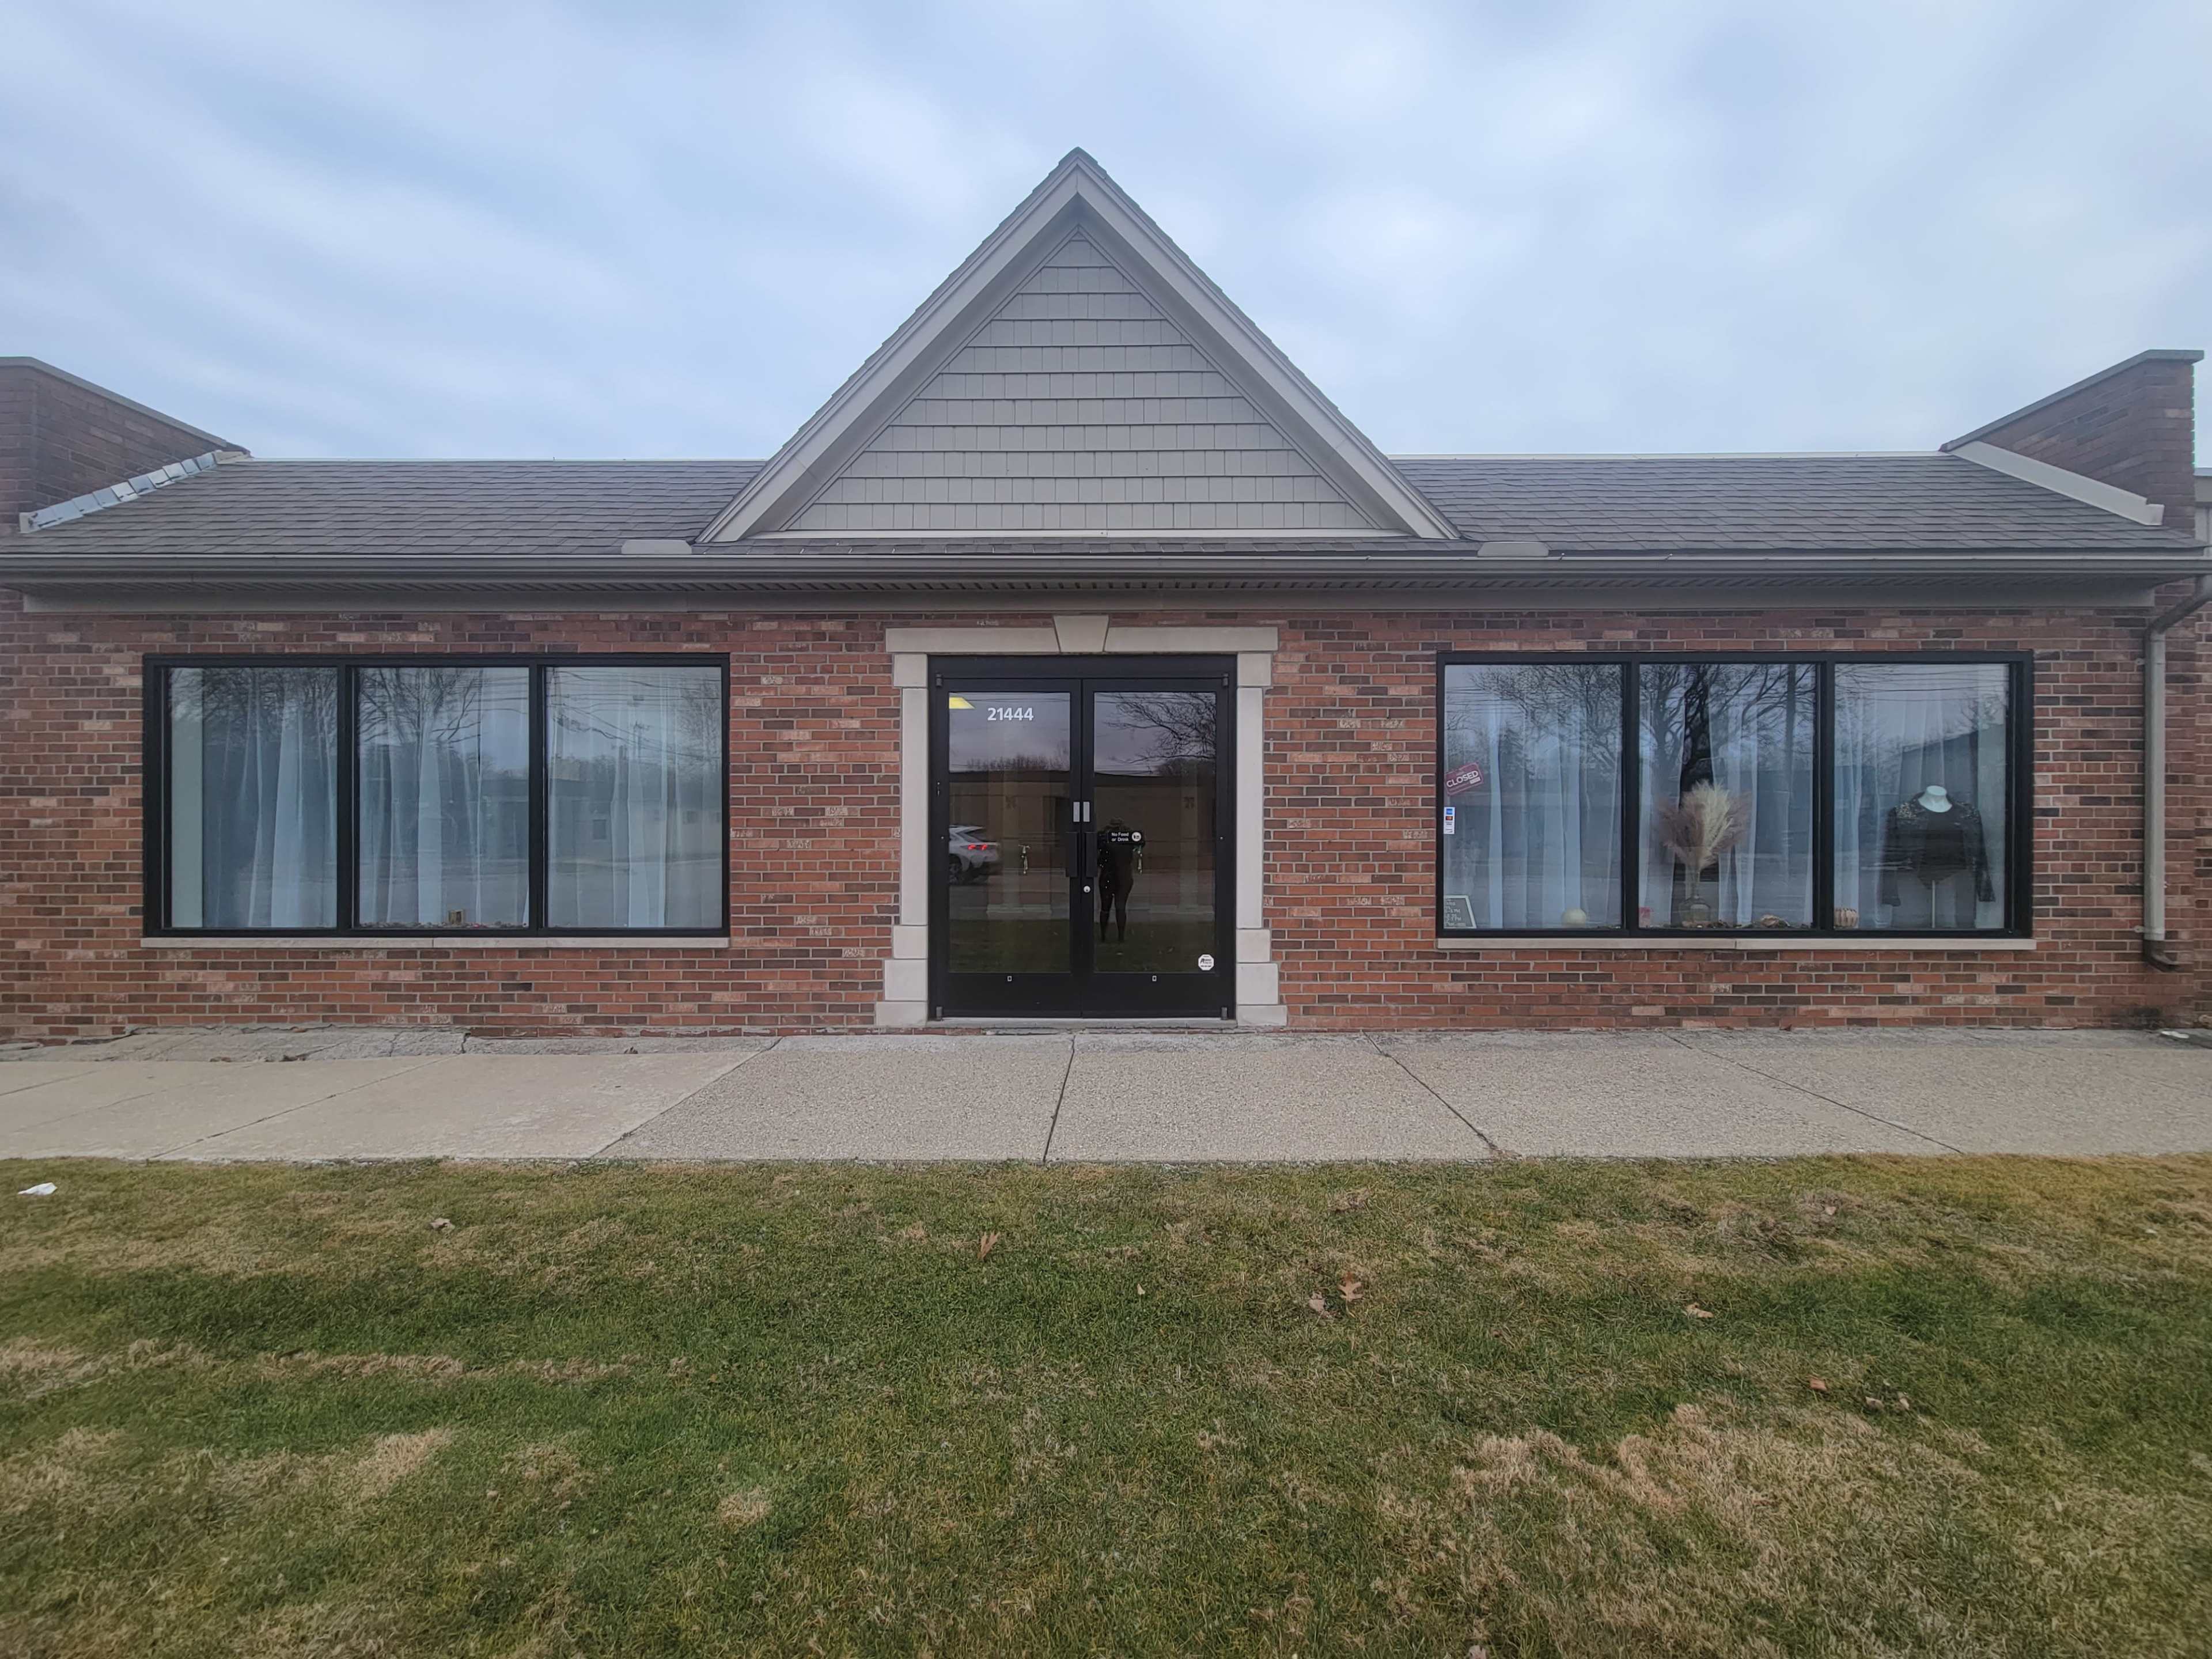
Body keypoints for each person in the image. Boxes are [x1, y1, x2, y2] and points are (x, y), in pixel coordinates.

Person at [1096, 820, 1141, 942]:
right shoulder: (1128, 839)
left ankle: (1103, 936)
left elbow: (1099, 859)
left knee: (1105, 908)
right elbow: (1138, 845)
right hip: (1124, 876)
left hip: (1108, 876)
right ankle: (1121, 937)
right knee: (1120, 907)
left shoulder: (1105, 839)